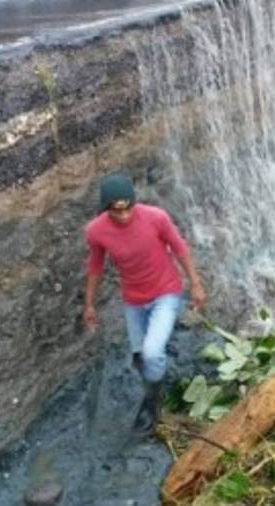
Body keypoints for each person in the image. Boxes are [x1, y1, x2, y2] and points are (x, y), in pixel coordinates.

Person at [83, 174, 208, 434]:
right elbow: (95, 266)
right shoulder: (96, 231)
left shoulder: (156, 217)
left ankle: (152, 401)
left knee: (151, 352)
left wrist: (195, 283)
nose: (125, 215)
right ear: (106, 208)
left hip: (166, 292)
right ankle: (155, 374)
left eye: (129, 207)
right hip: (134, 300)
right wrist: (89, 305)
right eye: (117, 210)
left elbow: (179, 247)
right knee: (140, 357)